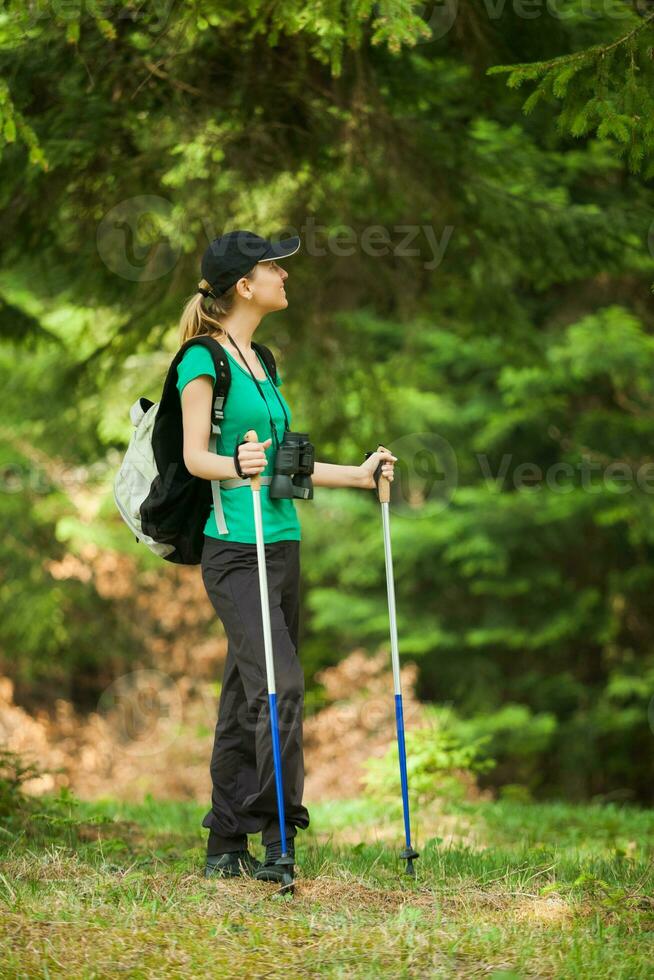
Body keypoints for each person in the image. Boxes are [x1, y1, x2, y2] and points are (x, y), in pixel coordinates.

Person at [176, 230, 397, 884]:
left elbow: (277, 463)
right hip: (235, 550)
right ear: (245, 284)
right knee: (279, 687)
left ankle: (224, 845)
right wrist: (232, 462)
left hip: (282, 543)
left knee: (246, 692)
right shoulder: (200, 360)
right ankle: (279, 838)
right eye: (275, 266)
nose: (285, 275)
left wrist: (359, 476)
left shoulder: (263, 361)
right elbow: (196, 457)